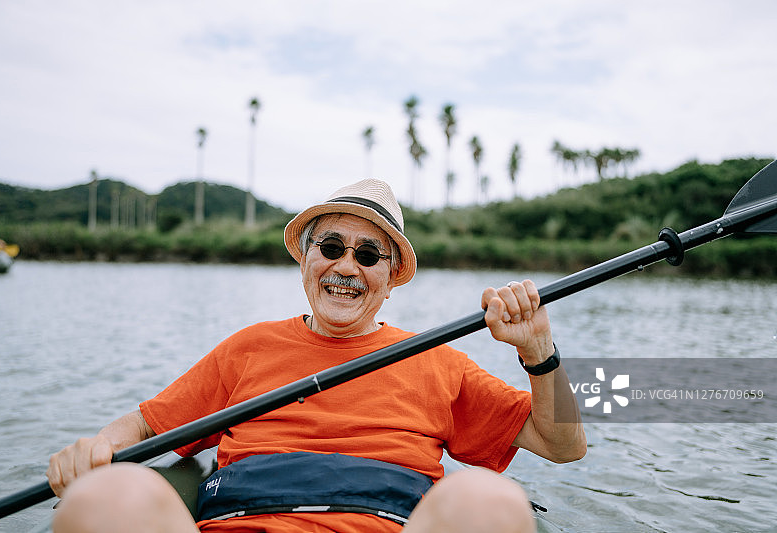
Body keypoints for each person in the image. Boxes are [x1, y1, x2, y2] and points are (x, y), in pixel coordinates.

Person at [47, 179, 586, 533]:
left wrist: (538, 350)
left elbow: (563, 445)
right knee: (106, 496)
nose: (346, 267)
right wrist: (98, 450)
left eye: (369, 254)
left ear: (390, 279)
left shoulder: (435, 359)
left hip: (385, 520)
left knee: (491, 500)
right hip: (242, 520)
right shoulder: (247, 348)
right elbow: (145, 424)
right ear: (305, 261)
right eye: (331, 247)